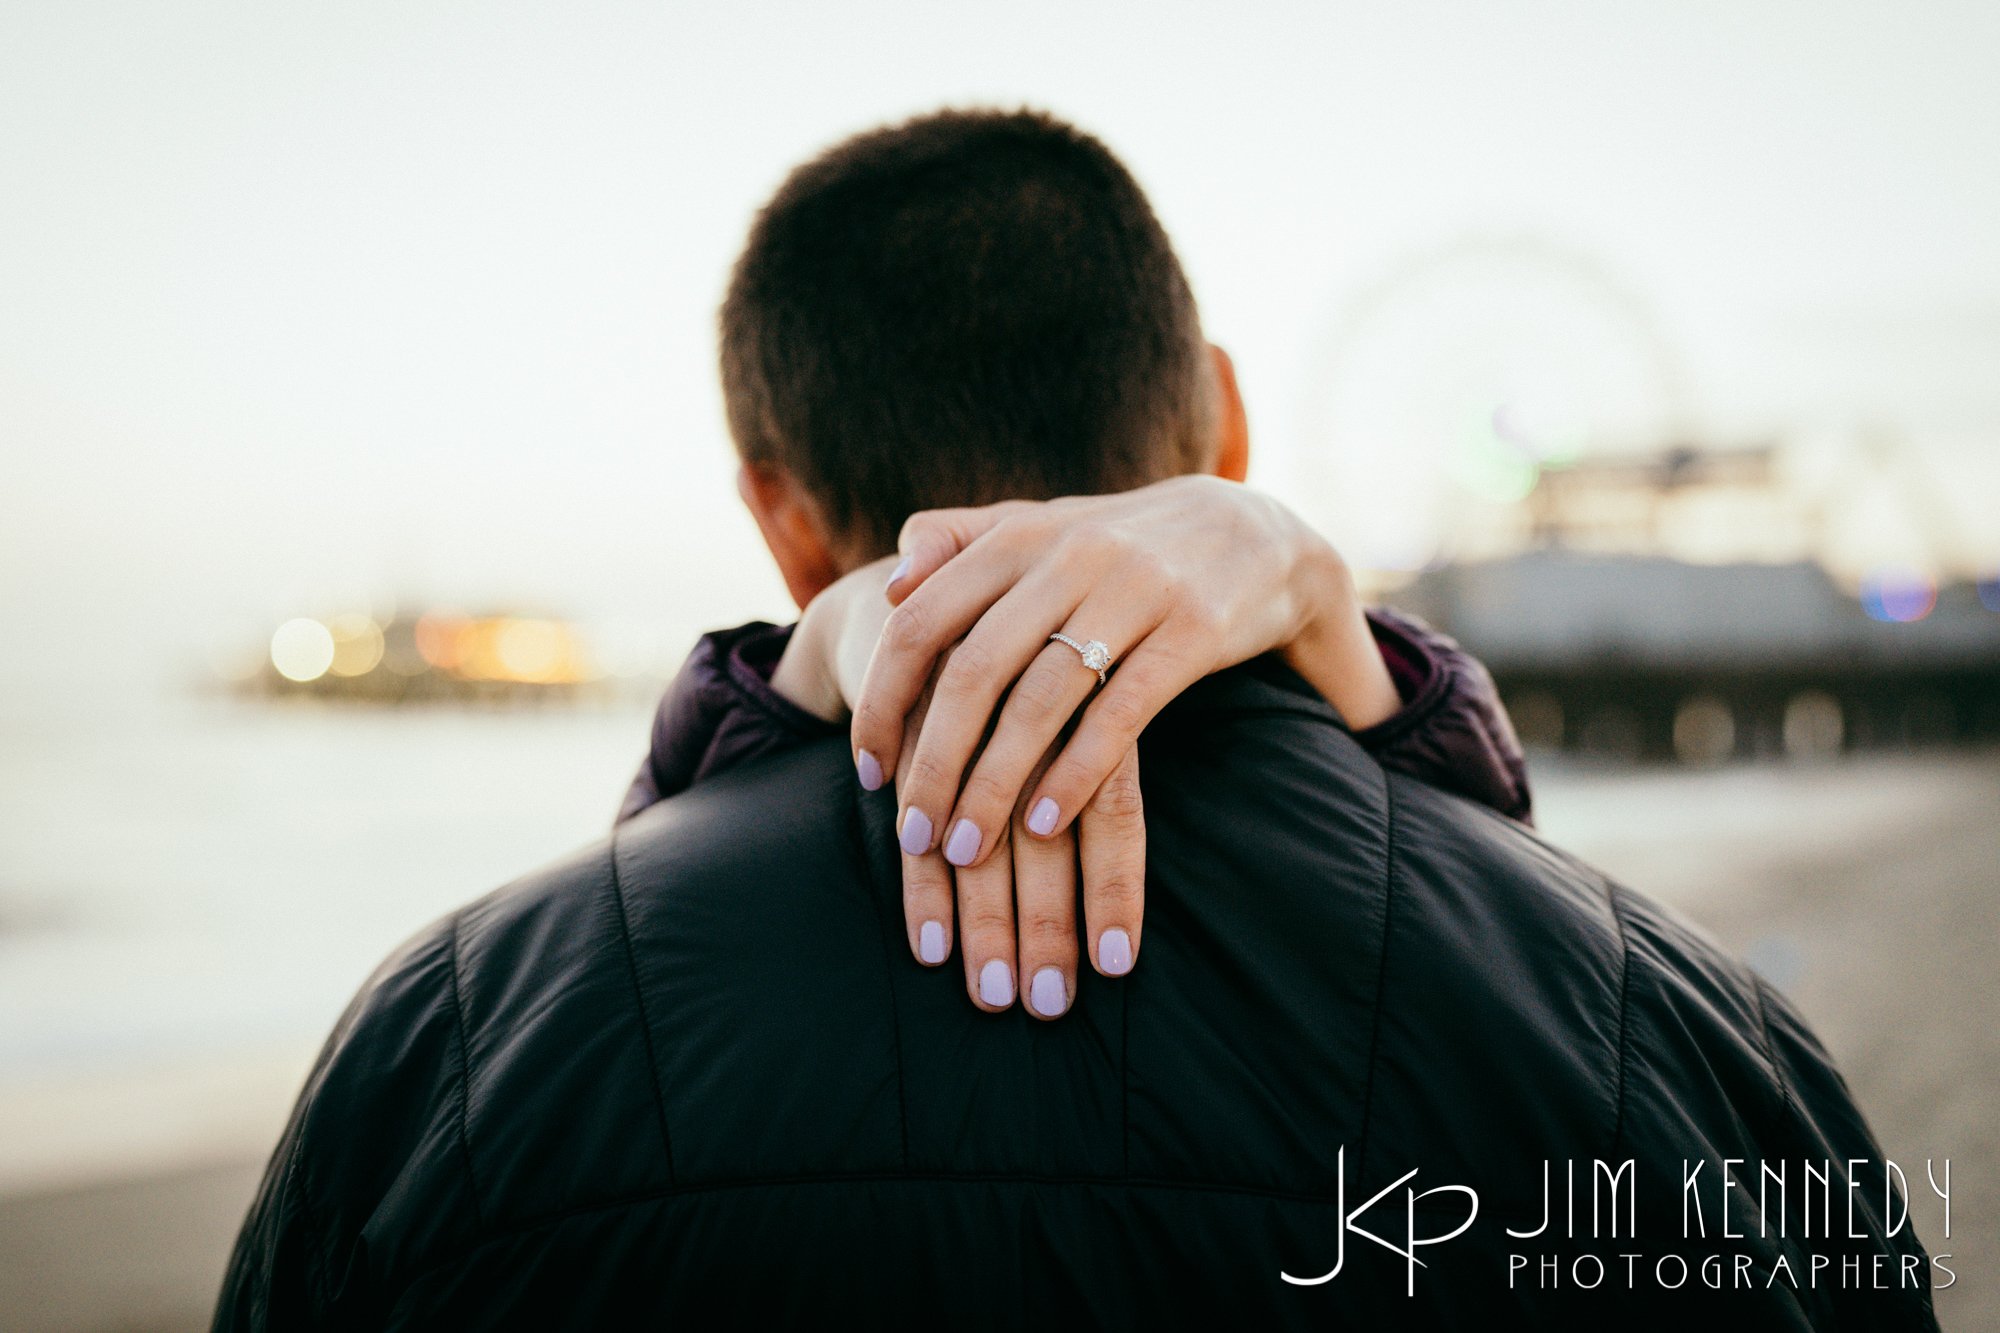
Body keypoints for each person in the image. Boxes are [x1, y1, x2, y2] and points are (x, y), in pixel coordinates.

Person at [214, 109, 1937, 1329]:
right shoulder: (1679, 1028)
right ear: (1226, 425)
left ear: (778, 516)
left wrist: (738, 725)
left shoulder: (448, 1046)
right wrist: (1375, 681)